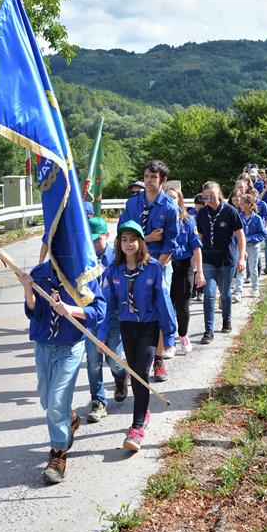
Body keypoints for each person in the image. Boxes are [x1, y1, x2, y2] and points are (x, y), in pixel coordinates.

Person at [17, 256, 105, 483]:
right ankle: (71, 419)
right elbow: (34, 313)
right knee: (47, 400)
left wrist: (72, 310)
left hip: (70, 345)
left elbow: (99, 310)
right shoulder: (40, 273)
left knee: (57, 401)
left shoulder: (82, 275)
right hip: (43, 344)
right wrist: (28, 291)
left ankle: (57, 454)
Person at [100, 221, 175, 451]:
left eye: (133, 239)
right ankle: (145, 410)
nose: (129, 244)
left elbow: (163, 301)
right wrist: (102, 334)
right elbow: (107, 304)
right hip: (127, 326)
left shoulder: (153, 267)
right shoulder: (113, 270)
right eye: (124, 239)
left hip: (149, 326)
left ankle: (137, 427)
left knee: (141, 373)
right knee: (134, 373)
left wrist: (169, 334)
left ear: (141, 242)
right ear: (118, 243)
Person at [118, 159, 179, 380]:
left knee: (158, 310)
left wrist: (153, 268)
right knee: (131, 309)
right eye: (146, 176)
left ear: (162, 180)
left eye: (153, 177)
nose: (149, 181)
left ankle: (159, 360)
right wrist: (148, 237)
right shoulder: (133, 204)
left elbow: (170, 244)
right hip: (132, 263)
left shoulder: (170, 207)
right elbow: (122, 231)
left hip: (159, 264)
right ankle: (133, 359)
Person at [84, 217, 129, 423]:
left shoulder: (117, 259)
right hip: (92, 318)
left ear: (107, 236)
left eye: (97, 240)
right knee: (93, 363)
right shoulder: (85, 260)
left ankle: (121, 376)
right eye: (89, 240)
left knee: (113, 358)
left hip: (113, 317)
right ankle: (98, 401)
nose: (93, 244)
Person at [196, 182, 246, 344]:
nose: (209, 199)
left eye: (212, 195)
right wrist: (195, 260)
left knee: (225, 294)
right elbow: (200, 238)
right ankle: (208, 331)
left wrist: (240, 258)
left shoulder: (230, 211)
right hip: (208, 259)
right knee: (209, 294)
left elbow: (240, 236)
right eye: (206, 196)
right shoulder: (202, 213)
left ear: (218, 194)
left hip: (227, 259)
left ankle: (226, 319)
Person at [164, 186, 204, 355]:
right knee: (166, 306)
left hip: (183, 267)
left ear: (179, 200)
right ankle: (168, 341)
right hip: (165, 267)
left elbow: (195, 247)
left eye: (174, 197)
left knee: (183, 305)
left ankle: (183, 335)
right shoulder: (159, 220)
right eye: (167, 197)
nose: (171, 200)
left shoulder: (188, 221)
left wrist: (199, 272)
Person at [239, 194, 266, 298]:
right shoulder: (239, 217)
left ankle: (255, 288)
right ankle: (238, 291)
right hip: (241, 246)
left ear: (248, 204)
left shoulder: (257, 218)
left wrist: (249, 238)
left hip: (253, 246)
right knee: (240, 268)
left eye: (242, 203)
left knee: (253, 268)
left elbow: (263, 234)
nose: (240, 205)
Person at [228, 188, 245, 304]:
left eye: (237, 200)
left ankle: (238, 292)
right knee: (233, 268)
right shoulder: (229, 211)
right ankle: (233, 288)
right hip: (232, 243)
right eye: (233, 200)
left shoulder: (245, 211)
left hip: (244, 242)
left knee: (241, 268)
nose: (236, 203)